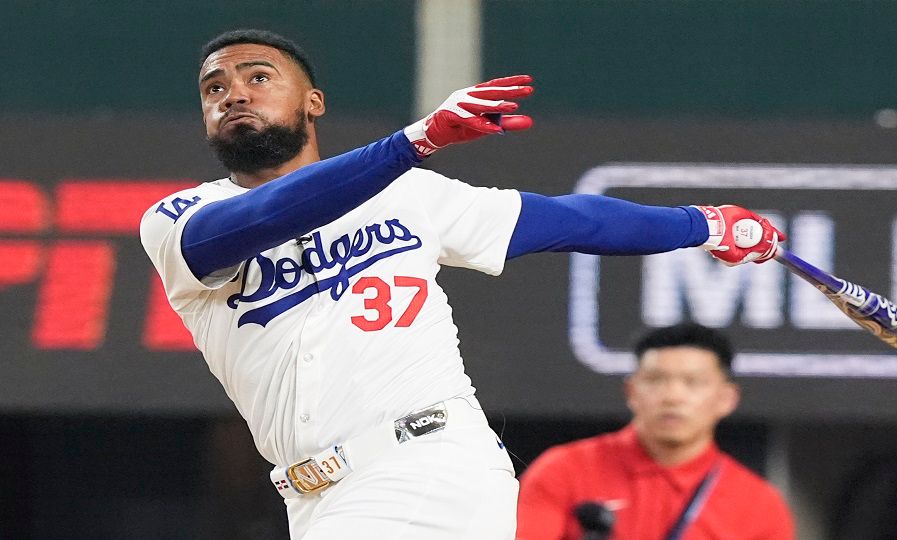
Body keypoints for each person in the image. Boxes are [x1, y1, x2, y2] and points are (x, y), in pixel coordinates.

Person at [139, 29, 785, 540]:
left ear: (314, 103)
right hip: (313, 497)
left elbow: (565, 219)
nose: (234, 94)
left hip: (424, 462)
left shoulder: (407, 193)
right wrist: (414, 141)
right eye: (214, 87)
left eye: (258, 77)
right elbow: (262, 218)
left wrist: (701, 224)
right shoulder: (176, 220)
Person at [515, 323, 796, 540]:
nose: (672, 396)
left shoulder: (758, 503)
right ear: (631, 391)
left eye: (693, 382)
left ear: (727, 398)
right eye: (655, 380)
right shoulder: (564, 470)